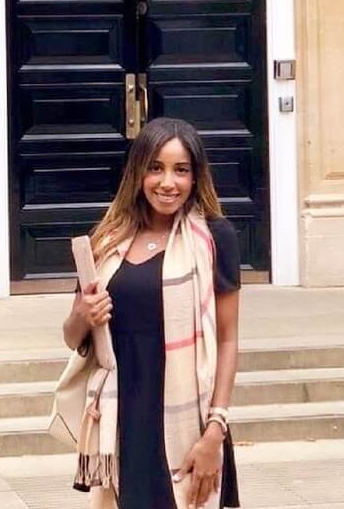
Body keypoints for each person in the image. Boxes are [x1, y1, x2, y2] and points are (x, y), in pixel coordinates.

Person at [61, 117, 241, 509]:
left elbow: (227, 339)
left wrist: (215, 430)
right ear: (138, 172)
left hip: (189, 421)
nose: (167, 182)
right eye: (155, 168)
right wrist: (84, 316)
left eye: (181, 170)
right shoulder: (106, 241)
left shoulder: (215, 239)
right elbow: (73, 338)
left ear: (196, 177)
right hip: (124, 416)